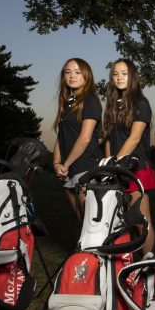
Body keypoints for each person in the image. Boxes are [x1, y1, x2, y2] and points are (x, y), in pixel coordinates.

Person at [103, 58, 155, 255]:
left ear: (133, 76)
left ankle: (148, 266)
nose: (119, 77)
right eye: (115, 73)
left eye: (124, 73)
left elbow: (134, 139)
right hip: (117, 168)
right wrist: (108, 164)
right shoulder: (112, 104)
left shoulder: (140, 103)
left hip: (136, 169)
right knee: (123, 222)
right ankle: (131, 265)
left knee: (141, 221)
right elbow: (108, 138)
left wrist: (115, 164)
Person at [52, 58, 103, 221]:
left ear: (86, 76)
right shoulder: (66, 104)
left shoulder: (90, 101)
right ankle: (82, 248)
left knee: (89, 222)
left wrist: (65, 165)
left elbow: (85, 138)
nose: (72, 76)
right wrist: (56, 163)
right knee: (80, 221)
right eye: (68, 72)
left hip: (86, 166)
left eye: (77, 72)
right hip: (68, 169)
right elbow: (61, 136)